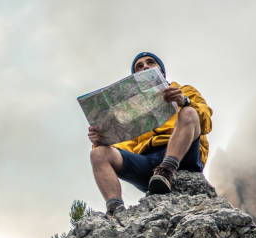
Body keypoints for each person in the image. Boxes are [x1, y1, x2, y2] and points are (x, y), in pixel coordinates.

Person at [88, 51, 212, 216]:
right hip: (147, 163)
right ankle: (116, 211)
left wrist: (184, 101)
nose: (144, 66)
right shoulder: (130, 108)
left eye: (150, 62)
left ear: (161, 71)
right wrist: (100, 140)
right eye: (139, 66)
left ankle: (167, 170)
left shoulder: (183, 90)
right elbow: (122, 145)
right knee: (98, 154)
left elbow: (206, 121)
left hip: (184, 154)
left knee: (189, 113)